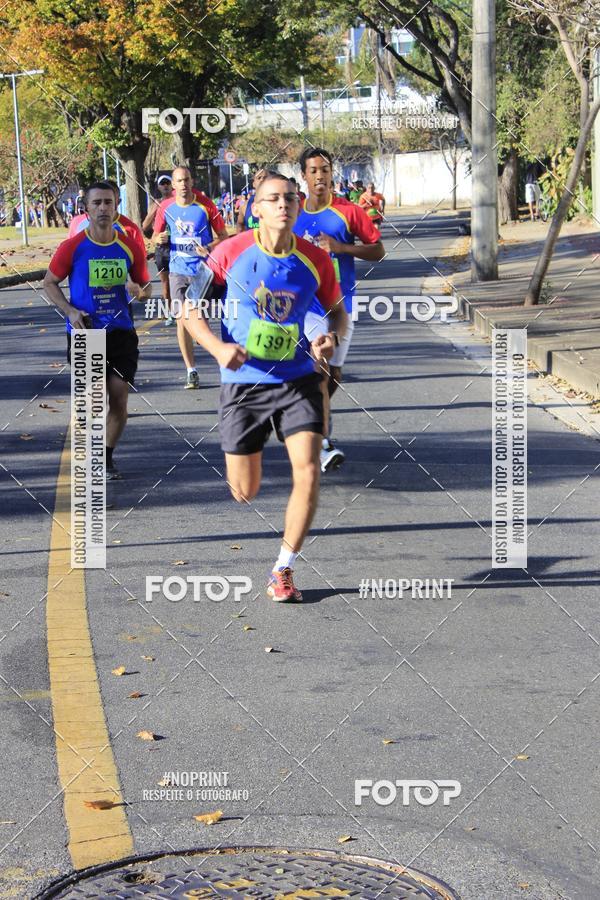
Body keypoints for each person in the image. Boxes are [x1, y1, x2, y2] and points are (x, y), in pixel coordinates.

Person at [181, 171, 347, 602]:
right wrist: (218, 349)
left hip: (298, 379)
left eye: (291, 198)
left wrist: (328, 337)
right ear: (256, 208)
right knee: (244, 491)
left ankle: (283, 568)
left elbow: (336, 313)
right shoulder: (228, 252)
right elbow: (189, 308)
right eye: (273, 199)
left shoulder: (315, 259)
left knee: (309, 471)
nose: (284, 205)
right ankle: (253, 455)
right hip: (244, 384)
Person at [43, 182, 152, 479]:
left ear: (116, 206)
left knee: (118, 397)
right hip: (86, 331)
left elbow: (145, 287)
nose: (103, 208)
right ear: (87, 208)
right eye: (97, 203)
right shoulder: (73, 246)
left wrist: (137, 290)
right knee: (91, 401)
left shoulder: (129, 246)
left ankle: (105, 457)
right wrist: (69, 310)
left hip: (121, 331)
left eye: (108, 202)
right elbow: (49, 282)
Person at [294, 148, 384, 472]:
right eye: (313, 170)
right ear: (303, 175)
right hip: (305, 306)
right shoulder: (293, 214)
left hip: (341, 306)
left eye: (325, 169)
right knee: (319, 367)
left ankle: (310, 416)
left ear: (332, 173)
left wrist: (341, 247)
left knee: (333, 375)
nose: (320, 176)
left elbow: (378, 250)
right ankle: (322, 442)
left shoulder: (349, 212)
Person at [153, 166, 228, 388]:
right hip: (178, 270)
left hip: (202, 272)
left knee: (199, 319)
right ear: (173, 186)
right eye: (179, 181)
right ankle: (191, 370)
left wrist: (208, 246)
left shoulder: (205, 205)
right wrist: (159, 239)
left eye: (186, 179)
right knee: (182, 318)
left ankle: (222, 361)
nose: (183, 184)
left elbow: (223, 236)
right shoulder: (165, 207)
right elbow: (155, 235)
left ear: (191, 181)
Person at [142, 175, 174, 324]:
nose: (166, 186)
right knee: (166, 284)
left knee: (182, 282)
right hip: (162, 250)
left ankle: (187, 312)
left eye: (168, 183)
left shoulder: (179, 203)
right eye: (163, 184)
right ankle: (170, 313)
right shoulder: (156, 204)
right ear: (159, 187)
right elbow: (145, 227)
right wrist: (155, 238)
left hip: (178, 248)